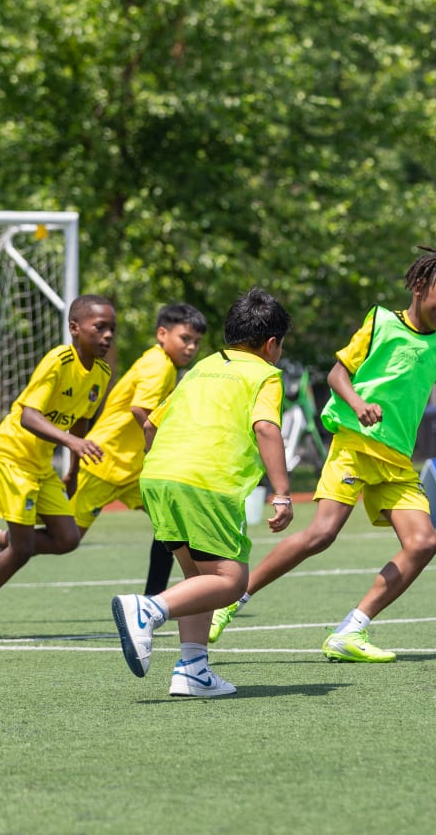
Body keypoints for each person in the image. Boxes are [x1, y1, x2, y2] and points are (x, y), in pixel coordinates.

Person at [208, 246, 436, 662]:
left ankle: (350, 632)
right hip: (353, 443)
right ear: (420, 287)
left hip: (396, 460)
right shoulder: (380, 322)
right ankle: (231, 599)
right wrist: (358, 404)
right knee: (322, 534)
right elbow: (337, 374)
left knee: (424, 543)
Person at [0, 303, 207, 596]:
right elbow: (140, 410)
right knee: (62, 539)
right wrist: (167, 446)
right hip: (103, 462)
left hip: (130, 467)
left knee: (170, 521)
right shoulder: (158, 365)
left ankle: (156, 600)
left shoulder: (150, 367)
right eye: (186, 339)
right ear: (162, 333)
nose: (191, 347)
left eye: (196, 342)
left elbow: (83, 418)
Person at [111, 287, 293, 696]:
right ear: (271, 344)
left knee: (197, 575)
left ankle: (192, 669)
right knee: (230, 580)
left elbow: (151, 425)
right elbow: (266, 427)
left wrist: (166, 466)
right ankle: (149, 608)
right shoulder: (265, 374)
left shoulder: (203, 367)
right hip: (206, 482)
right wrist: (282, 491)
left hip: (158, 476)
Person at [0, 294, 115, 638]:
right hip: (12, 455)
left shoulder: (101, 373)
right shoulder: (58, 360)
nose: (108, 335)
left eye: (113, 329)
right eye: (100, 327)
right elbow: (28, 415)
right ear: (74, 328)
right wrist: (70, 443)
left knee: (67, 538)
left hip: (39, 463)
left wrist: (73, 470)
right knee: (21, 549)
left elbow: (80, 422)